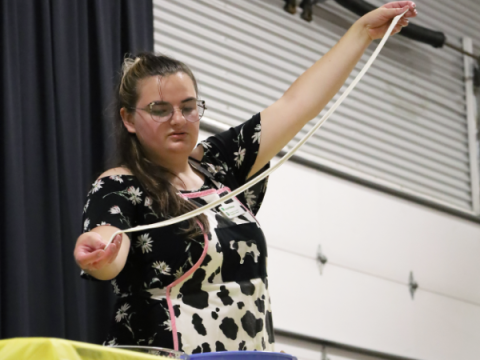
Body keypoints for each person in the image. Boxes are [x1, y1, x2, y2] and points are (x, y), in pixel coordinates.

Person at [74, 2, 417, 354]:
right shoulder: (119, 185)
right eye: (160, 110)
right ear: (129, 120)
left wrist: (361, 32)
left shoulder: (222, 165)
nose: (178, 119)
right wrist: (101, 253)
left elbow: (296, 103)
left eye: (188, 107)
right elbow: (108, 243)